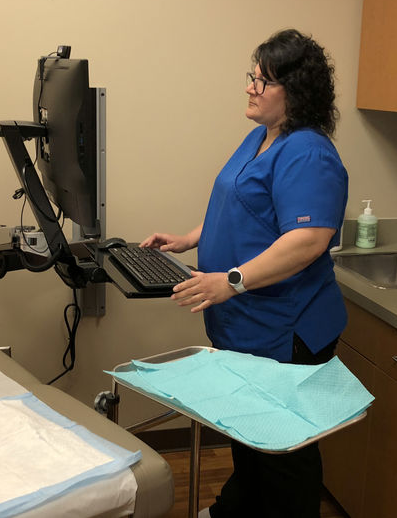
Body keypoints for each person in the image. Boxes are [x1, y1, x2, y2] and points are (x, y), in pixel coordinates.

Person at [141, 29, 348, 517]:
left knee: (285, 453)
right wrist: (189, 239)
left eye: (265, 81)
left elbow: (308, 240)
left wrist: (230, 280)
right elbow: (241, 204)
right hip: (247, 324)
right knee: (250, 434)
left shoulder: (308, 152)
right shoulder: (261, 137)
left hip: (287, 329)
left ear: (296, 93)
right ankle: (234, 509)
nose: (251, 88)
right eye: (253, 76)